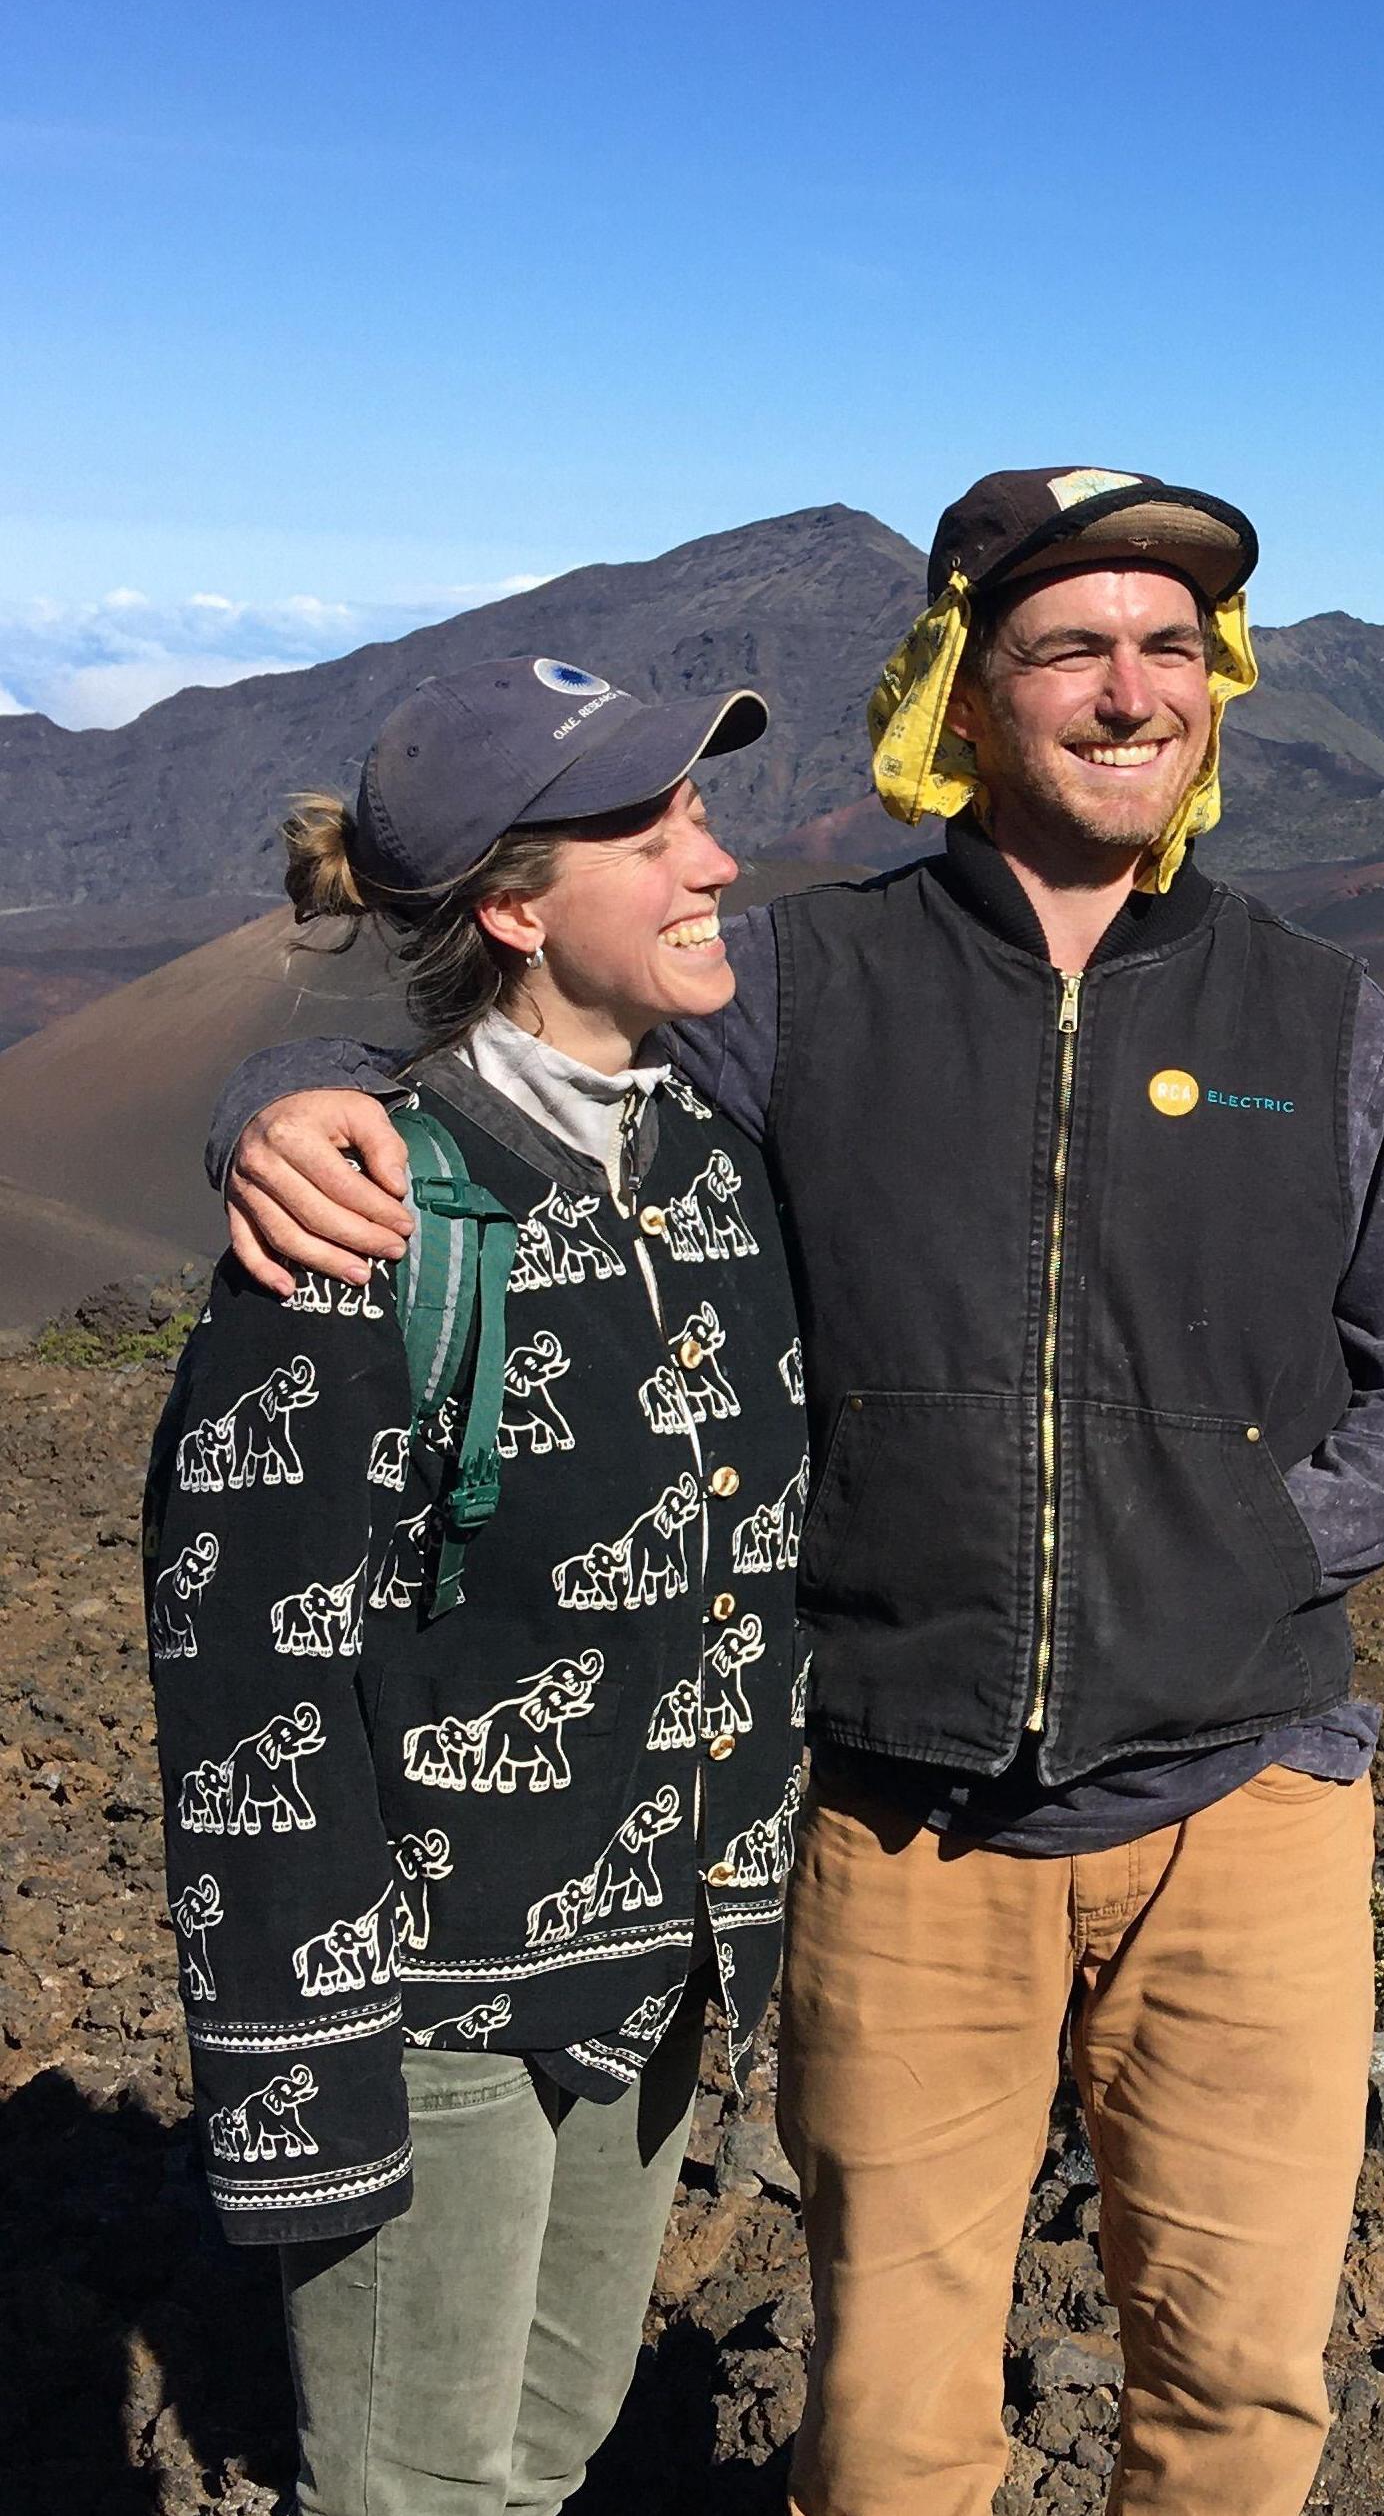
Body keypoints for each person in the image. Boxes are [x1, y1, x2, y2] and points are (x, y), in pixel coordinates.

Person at [211, 468, 1384, 2516]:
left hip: (1247, 1800)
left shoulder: (1324, 1018)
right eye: (1069, 645)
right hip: (901, 1814)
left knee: (1239, 2395)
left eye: (1171, 648)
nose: (1128, 689)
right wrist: (284, 1111)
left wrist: (1231, 1558)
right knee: (889, 2422)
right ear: (963, 698)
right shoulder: (803, 989)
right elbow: (517, 1066)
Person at [150, 656, 810, 2515]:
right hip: (430, 1995)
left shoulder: (705, 1161)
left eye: (698, 814)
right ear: (514, 908)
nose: (716, 863)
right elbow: (246, 1683)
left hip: (656, 1959)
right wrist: (303, 2069)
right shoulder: (370, 1220)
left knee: (544, 2454)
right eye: (653, 829)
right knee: (416, 2485)